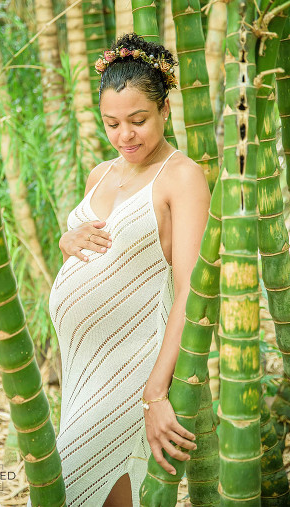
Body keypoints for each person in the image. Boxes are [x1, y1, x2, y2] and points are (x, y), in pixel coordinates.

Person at [46, 34, 210, 506]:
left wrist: (155, 393)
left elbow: (190, 291)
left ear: (164, 111)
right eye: (112, 123)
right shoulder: (100, 173)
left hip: (133, 364)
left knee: (80, 484)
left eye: (138, 121)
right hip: (82, 367)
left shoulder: (181, 176)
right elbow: (99, 251)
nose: (125, 136)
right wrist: (65, 239)